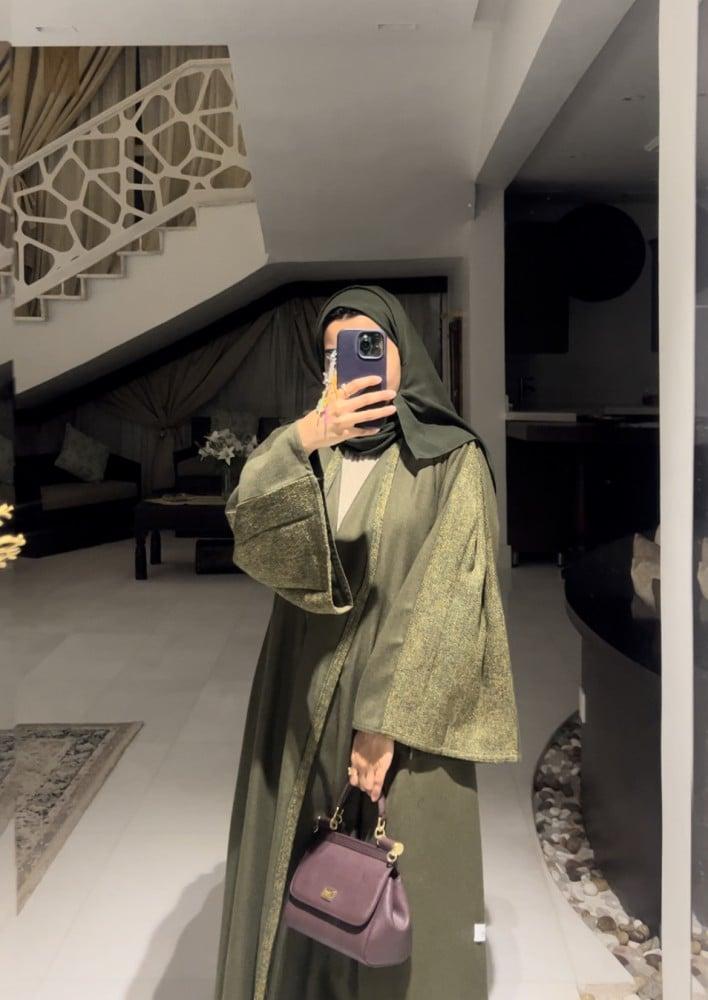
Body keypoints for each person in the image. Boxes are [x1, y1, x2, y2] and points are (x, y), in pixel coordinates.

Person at [213, 285, 520, 1000]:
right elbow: (249, 524)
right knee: (307, 867)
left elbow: (449, 598)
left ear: (402, 354)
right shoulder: (314, 453)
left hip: (403, 699)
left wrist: (381, 722)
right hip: (302, 684)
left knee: (397, 873)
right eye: (333, 355)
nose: (350, 365)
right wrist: (302, 437)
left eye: (367, 348)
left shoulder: (450, 460)